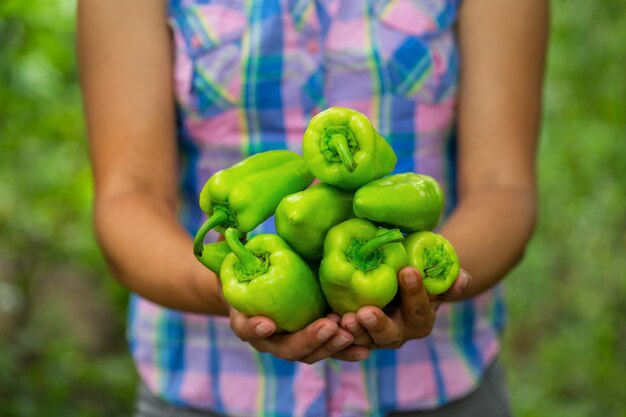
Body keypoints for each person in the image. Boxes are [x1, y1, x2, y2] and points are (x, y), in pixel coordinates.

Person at [77, 0, 548, 416]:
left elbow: (503, 186)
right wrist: (223, 288)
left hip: (441, 385)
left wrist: (425, 277)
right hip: (205, 390)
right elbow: (127, 195)